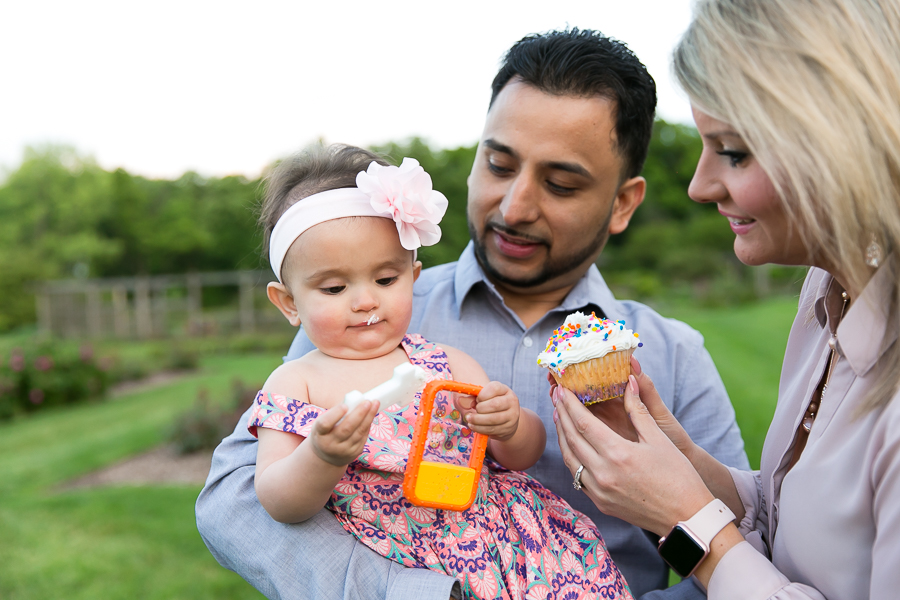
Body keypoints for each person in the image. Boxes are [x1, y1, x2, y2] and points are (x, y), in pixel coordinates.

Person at [196, 29, 749, 599]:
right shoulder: (352, 335)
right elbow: (233, 504)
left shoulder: (672, 354)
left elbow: (743, 541)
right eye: (499, 165)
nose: (514, 207)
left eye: (560, 184)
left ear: (624, 204)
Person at [552, 1, 900, 598]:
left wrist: (687, 523)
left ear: (845, 146)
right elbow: (792, 521)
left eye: (733, 151)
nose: (698, 185)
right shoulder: (828, 294)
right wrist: (684, 462)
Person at [249, 143, 633, 600]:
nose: (366, 300)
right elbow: (278, 501)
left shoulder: (444, 363)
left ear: (413, 277)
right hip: (403, 559)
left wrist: (509, 425)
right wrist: (322, 456)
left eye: (386, 280)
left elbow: (522, 455)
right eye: (334, 287)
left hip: (509, 546)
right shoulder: (297, 381)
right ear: (289, 302)